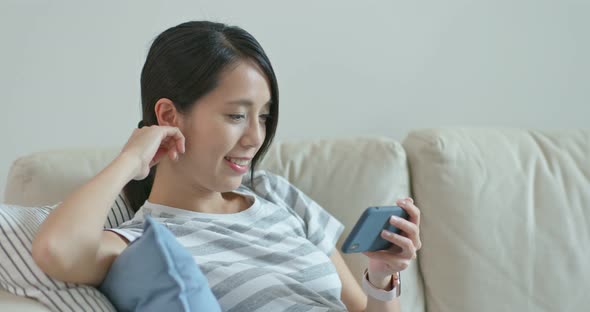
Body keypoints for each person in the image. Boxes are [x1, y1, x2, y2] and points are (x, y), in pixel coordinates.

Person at [32, 21, 422, 312]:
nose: (256, 137)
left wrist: (382, 276)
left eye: (264, 117)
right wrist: (131, 159)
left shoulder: (275, 194)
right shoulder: (148, 244)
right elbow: (56, 249)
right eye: (237, 116)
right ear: (169, 115)